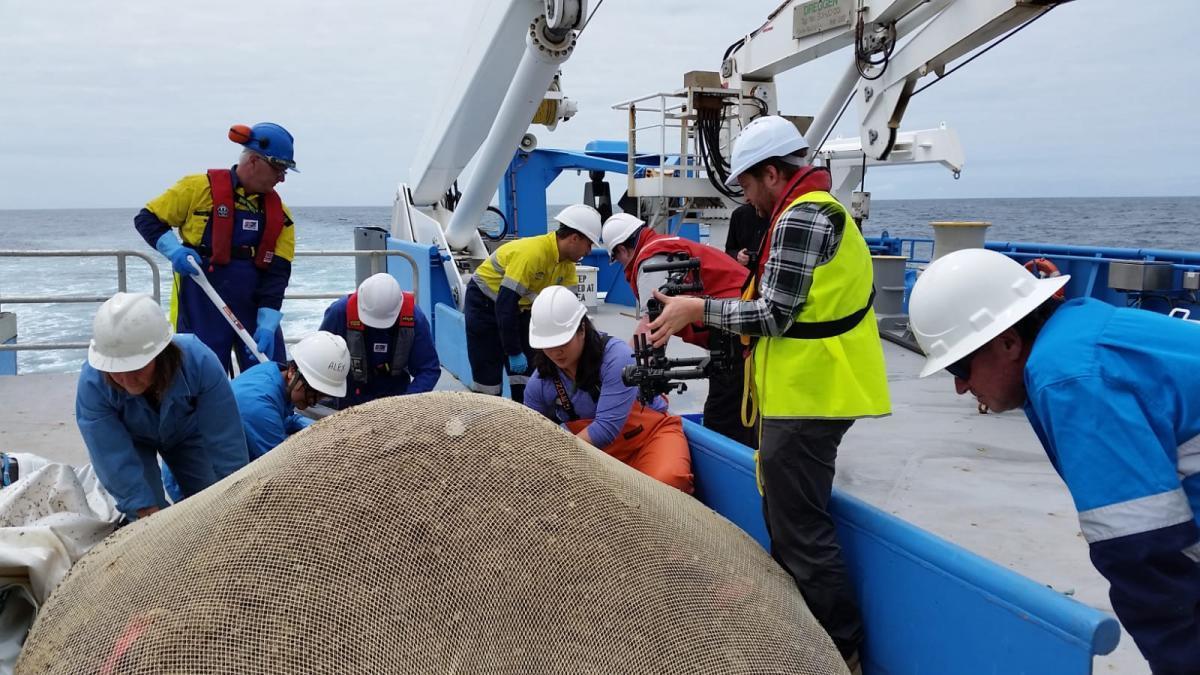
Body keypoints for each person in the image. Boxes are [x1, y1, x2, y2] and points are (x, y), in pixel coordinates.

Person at [645, 115, 890, 668]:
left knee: (799, 530)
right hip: (804, 394)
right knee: (789, 519)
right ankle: (808, 638)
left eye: (749, 185)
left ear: (774, 174)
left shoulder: (803, 217)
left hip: (813, 396)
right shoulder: (813, 210)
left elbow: (773, 314)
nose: (748, 199)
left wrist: (695, 308)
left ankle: (836, 651)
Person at [908, 248, 1200, 673]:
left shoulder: (1069, 376)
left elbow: (1141, 552)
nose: (959, 387)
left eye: (960, 367)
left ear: (1008, 342)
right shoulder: (1079, 333)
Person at [134, 122, 299, 373]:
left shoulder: (282, 216)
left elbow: (277, 273)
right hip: (201, 298)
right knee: (199, 375)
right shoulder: (197, 189)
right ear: (254, 161)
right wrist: (174, 251)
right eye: (278, 167)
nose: (282, 177)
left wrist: (266, 323)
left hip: (254, 305)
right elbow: (147, 219)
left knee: (270, 376)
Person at [75, 293, 249, 521]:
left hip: (187, 433)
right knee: (148, 514)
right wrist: (142, 507)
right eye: (116, 371)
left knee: (216, 499)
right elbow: (110, 454)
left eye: (136, 368)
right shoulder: (92, 384)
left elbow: (225, 438)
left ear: (162, 354)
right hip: (132, 440)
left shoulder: (199, 362)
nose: (127, 381)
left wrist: (238, 493)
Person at [601, 212, 755, 447]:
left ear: (622, 250)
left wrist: (619, 368)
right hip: (738, 322)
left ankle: (735, 468)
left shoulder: (651, 261)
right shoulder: (664, 247)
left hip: (737, 331)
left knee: (723, 416)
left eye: (618, 258)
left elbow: (652, 324)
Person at [523, 286, 693, 493]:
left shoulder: (616, 357)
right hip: (595, 456)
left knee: (669, 483)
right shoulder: (539, 384)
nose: (556, 351)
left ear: (582, 330)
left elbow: (606, 429)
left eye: (563, 341)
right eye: (547, 344)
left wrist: (559, 457)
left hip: (648, 439)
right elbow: (532, 435)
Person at [464, 204, 602, 403]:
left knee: (526, 372)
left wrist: (593, 345)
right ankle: (487, 415)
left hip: (519, 309)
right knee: (488, 372)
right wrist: (513, 350)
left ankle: (525, 416)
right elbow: (505, 304)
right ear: (574, 238)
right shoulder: (532, 254)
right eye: (589, 244)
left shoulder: (568, 268)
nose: (589, 251)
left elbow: (573, 314)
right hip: (484, 304)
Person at [318, 273, 440, 409]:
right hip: (349, 397)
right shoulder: (339, 313)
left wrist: (406, 404)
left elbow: (428, 369)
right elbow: (320, 359)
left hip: (397, 399)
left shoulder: (415, 319)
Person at [231, 332, 351, 460]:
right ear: (292, 371)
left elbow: (282, 418)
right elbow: (277, 466)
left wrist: (314, 426)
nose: (313, 401)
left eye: (323, 395)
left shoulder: (273, 372)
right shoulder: (259, 405)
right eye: (312, 390)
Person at [724, 202, 771, 270]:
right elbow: (729, 250)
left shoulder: (776, 213)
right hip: (745, 274)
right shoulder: (738, 214)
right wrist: (737, 255)